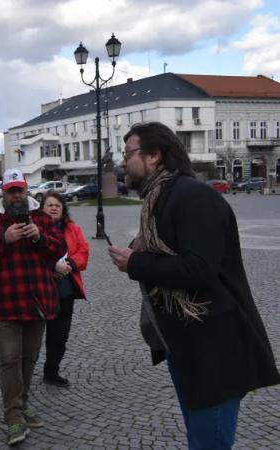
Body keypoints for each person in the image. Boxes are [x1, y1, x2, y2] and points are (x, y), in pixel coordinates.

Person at [109, 122, 280, 449]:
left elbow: (199, 269)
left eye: (128, 153)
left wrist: (136, 262)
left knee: (208, 443)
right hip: (187, 345)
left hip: (214, 349)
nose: (122, 161)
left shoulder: (191, 196)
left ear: (154, 156)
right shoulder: (161, 198)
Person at [0, 168, 65, 446]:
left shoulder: (42, 218)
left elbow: (58, 249)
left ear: (25, 190)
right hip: (4, 303)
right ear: (3, 191)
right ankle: (13, 417)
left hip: (37, 301)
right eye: (11, 191)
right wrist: (4, 239)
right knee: (10, 358)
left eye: (20, 190)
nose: (16, 195)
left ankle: (21, 405)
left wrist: (38, 237)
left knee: (29, 357)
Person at [40, 191, 89, 388]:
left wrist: (67, 264)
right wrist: (52, 266)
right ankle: (24, 373)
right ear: (41, 209)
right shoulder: (34, 229)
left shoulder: (73, 229)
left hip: (64, 290)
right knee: (33, 337)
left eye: (57, 205)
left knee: (59, 335)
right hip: (39, 289)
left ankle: (51, 372)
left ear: (63, 209)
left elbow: (83, 251)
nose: (53, 208)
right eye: (49, 205)